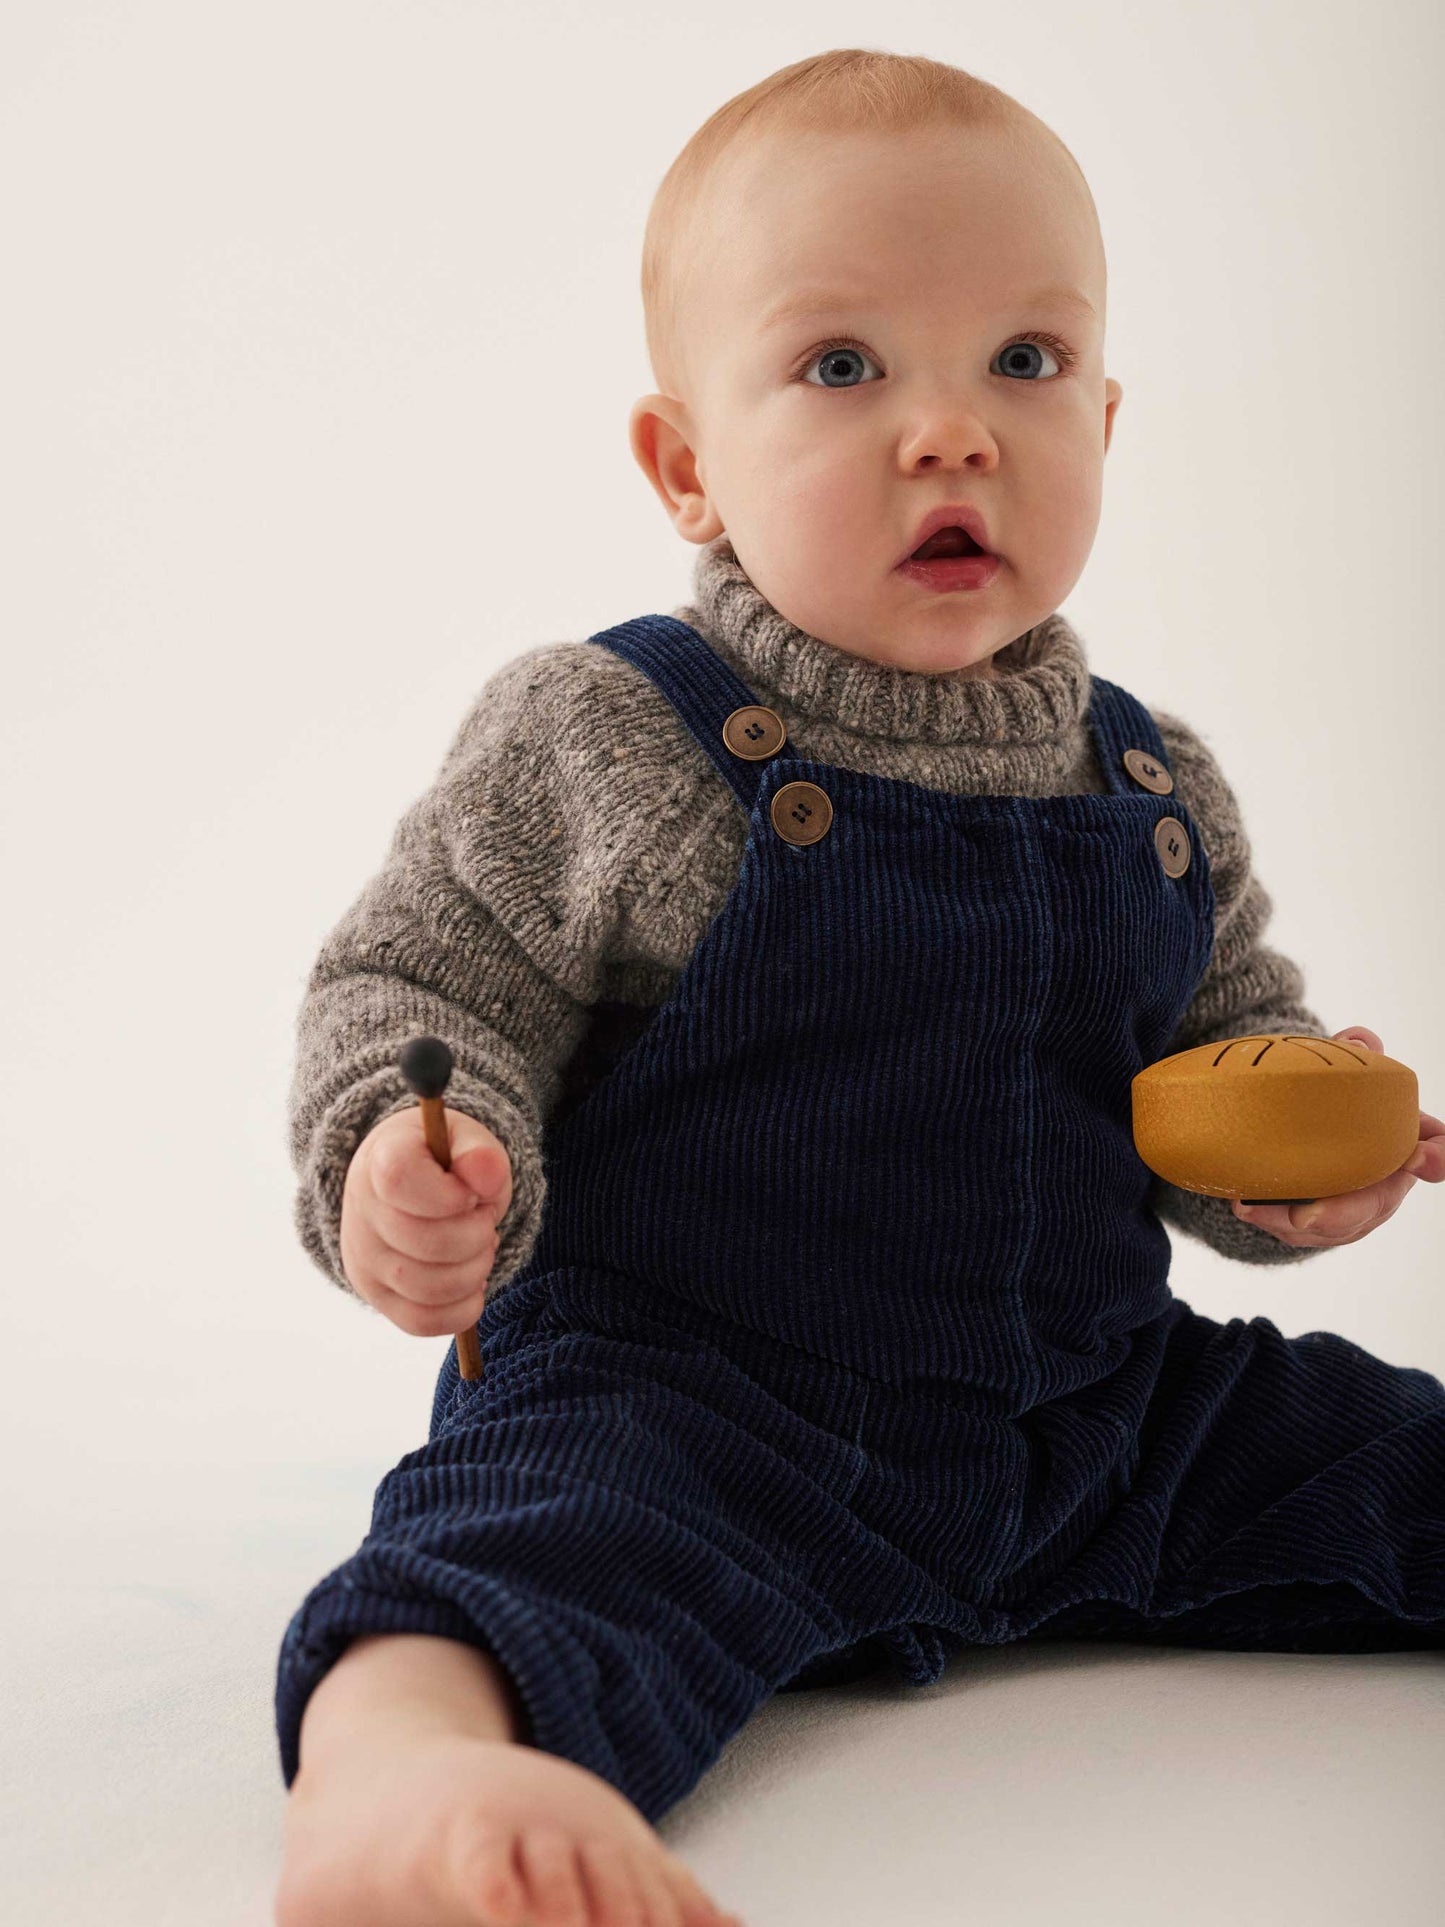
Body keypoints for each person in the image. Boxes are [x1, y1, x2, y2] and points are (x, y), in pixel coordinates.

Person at [272, 48, 1444, 1927]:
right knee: (519, 1558)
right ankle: (400, 1775)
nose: (951, 433)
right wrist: (408, 1154)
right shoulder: (608, 733)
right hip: (699, 1409)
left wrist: (1297, 1152)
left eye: (1024, 364)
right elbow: (424, 980)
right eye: (840, 368)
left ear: (1106, 421)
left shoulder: (1151, 786)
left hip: (1094, 1415)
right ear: (686, 467)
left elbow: (1208, 1075)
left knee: (1385, 1466)